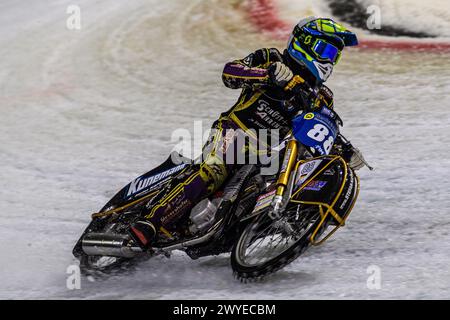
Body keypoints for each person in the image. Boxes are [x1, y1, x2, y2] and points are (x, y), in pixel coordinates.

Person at [129, 17, 365, 249]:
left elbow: (317, 128)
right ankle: (150, 222)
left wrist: (342, 149)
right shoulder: (270, 58)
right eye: (324, 50)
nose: (329, 61)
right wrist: (266, 76)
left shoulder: (321, 96)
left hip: (266, 152)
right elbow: (230, 73)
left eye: (335, 55)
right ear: (303, 42)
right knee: (214, 169)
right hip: (234, 132)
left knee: (278, 179)